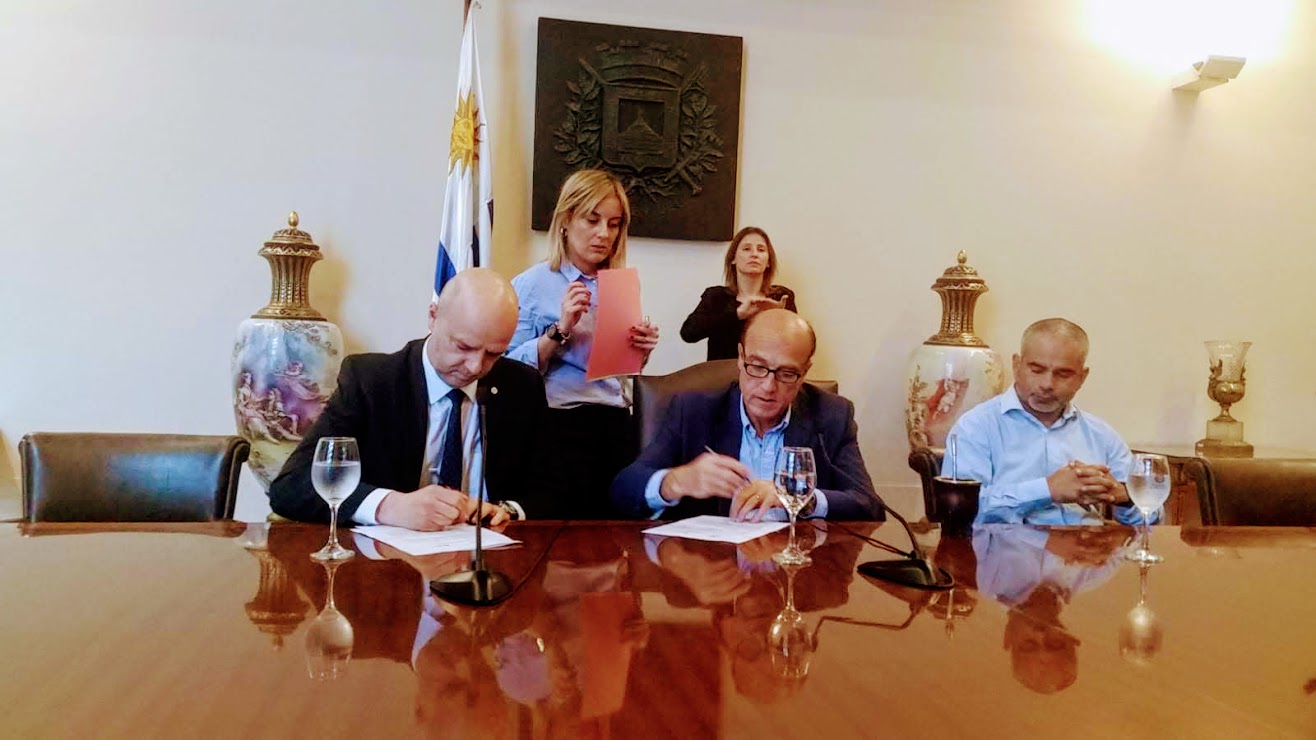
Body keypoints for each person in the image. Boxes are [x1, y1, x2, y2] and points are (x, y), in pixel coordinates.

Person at [270, 268, 552, 529]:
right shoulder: (372, 382)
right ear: (433, 316)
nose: (475, 367)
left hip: (490, 556)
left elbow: (555, 488)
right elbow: (292, 485)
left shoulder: (521, 386)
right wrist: (388, 506)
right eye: (463, 346)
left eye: (493, 353)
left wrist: (508, 510)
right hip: (389, 559)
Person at [612, 309, 884, 521]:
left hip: (798, 567)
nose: (768, 386)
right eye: (757, 367)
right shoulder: (693, 411)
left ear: (805, 372)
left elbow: (869, 505)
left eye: (787, 373)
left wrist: (799, 497)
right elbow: (623, 490)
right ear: (741, 358)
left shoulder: (831, 415)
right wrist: (675, 482)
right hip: (713, 569)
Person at [506, 169, 660, 518]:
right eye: (592, 220)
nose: (604, 233)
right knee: (567, 532)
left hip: (616, 419)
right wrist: (559, 330)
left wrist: (641, 349)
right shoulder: (533, 284)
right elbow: (508, 373)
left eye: (614, 224)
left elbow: (620, 372)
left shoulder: (618, 284)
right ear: (565, 220)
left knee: (617, 529)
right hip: (559, 422)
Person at [942, 318, 1155, 525]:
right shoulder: (976, 427)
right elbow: (960, 510)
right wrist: (1047, 490)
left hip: (1086, 545)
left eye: (1063, 374)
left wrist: (1124, 497)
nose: (1047, 384)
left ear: (1082, 378)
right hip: (1008, 546)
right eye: (1036, 370)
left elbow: (1153, 517)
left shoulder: (1100, 435)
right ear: (1016, 366)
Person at [975, 524, 1129, 693]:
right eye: (1054, 643)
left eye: (1029, 644)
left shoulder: (985, 579)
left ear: (1008, 637)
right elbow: (1139, 533)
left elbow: (976, 520)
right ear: (1070, 637)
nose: (1040, 634)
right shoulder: (1093, 575)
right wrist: (1122, 536)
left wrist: (1047, 540)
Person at [680, 226, 798, 361]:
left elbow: (796, 345)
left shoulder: (781, 296)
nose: (754, 254)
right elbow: (688, 333)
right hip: (723, 372)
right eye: (747, 249)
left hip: (766, 371)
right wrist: (737, 314)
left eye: (761, 250)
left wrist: (780, 317)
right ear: (733, 259)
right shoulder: (716, 296)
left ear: (768, 262)